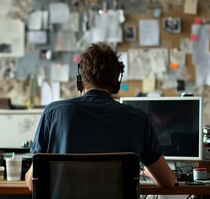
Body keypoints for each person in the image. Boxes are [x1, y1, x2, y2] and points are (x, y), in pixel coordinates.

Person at [25, 42, 176, 191]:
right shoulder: (138, 119)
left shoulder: (53, 113)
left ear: (80, 80)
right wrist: (147, 173)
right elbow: (168, 182)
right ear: (117, 83)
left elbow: (33, 183)